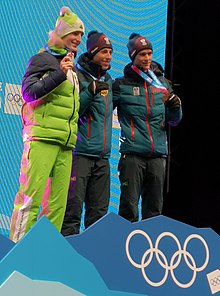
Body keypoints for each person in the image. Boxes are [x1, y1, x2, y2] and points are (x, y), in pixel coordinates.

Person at [9, 6, 84, 243]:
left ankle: (43, 256)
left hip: (64, 144)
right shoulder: (43, 58)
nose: (78, 39)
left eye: (81, 35)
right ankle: (15, 254)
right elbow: (29, 93)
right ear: (62, 34)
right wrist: (59, 73)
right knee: (30, 200)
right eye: (74, 34)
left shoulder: (72, 66)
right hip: (41, 140)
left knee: (56, 208)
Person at [112, 33, 182, 222]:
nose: (147, 58)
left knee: (154, 211)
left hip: (158, 155)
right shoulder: (121, 85)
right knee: (129, 209)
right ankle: (123, 249)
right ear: (133, 57)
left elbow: (174, 120)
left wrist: (176, 107)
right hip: (133, 154)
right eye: (142, 54)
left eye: (149, 53)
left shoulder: (163, 84)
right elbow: (101, 111)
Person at [61, 30, 113, 236]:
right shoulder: (76, 75)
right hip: (79, 154)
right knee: (72, 212)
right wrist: (89, 92)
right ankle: (66, 262)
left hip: (102, 158)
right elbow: (73, 111)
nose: (108, 56)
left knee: (99, 217)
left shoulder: (110, 81)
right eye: (103, 52)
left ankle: (95, 261)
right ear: (92, 53)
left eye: (110, 52)